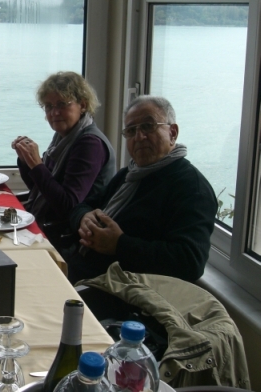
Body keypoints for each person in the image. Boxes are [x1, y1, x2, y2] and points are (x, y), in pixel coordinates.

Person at [66, 95, 218, 284]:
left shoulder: (192, 188)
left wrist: (119, 245)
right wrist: (83, 217)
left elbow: (190, 262)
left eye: (148, 126)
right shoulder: (130, 174)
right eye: (131, 130)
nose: (139, 137)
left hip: (119, 291)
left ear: (172, 133)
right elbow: (83, 205)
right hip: (80, 269)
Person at [11, 72, 116, 250]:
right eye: (49, 106)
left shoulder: (90, 144)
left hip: (70, 238)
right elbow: (42, 189)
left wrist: (36, 165)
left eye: (62, 104)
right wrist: (26, 161)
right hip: (52, 225)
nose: (54, 113)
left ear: (82, 105)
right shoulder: (63, 138)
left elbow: (68, 206)